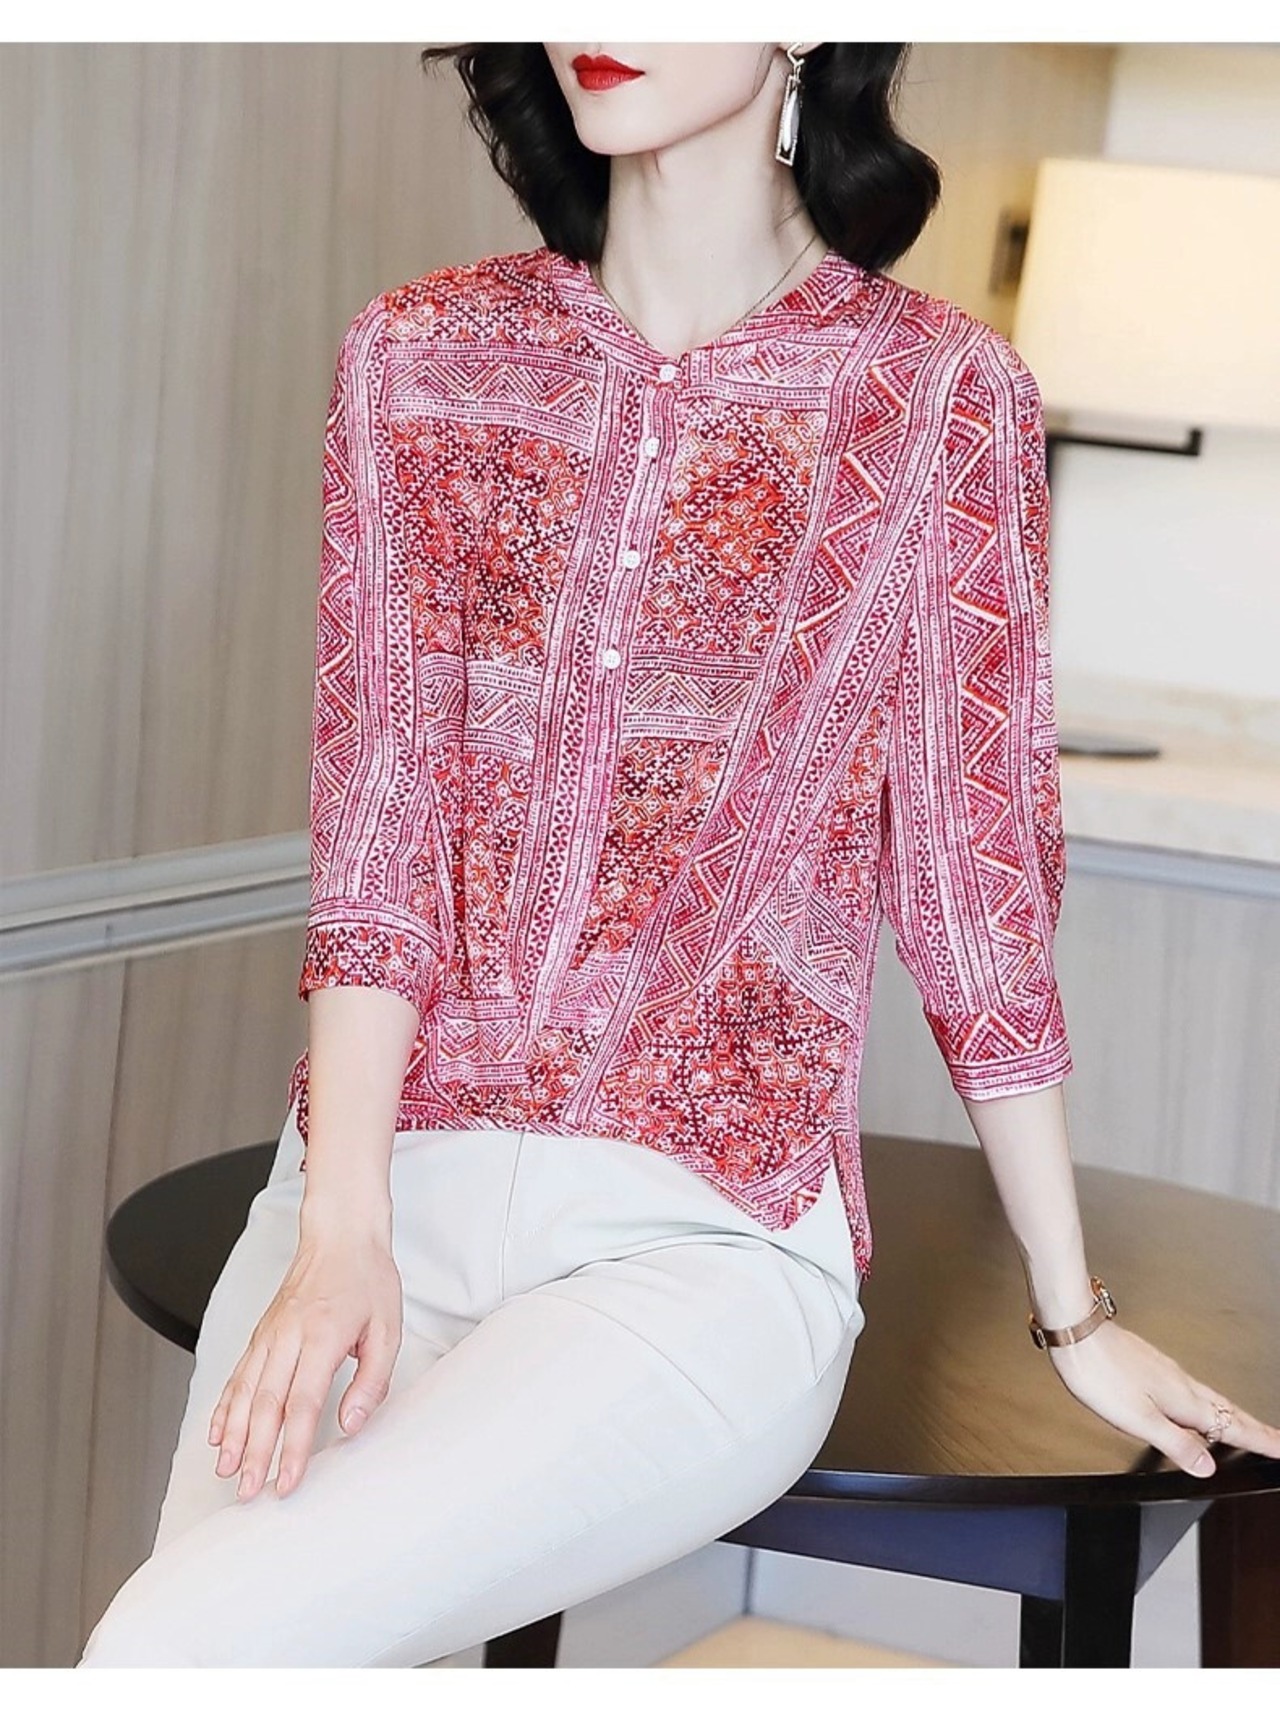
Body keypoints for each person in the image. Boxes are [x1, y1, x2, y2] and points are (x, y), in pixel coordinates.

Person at [78, 42, 1280, 1669]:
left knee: (170, 1652)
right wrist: (340, 1228)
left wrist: (1076, 1314)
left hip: (702, 1250)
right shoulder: (421, 355)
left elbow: (970, 885)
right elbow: (378, 829)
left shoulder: (941, 398)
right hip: (373, 1191)